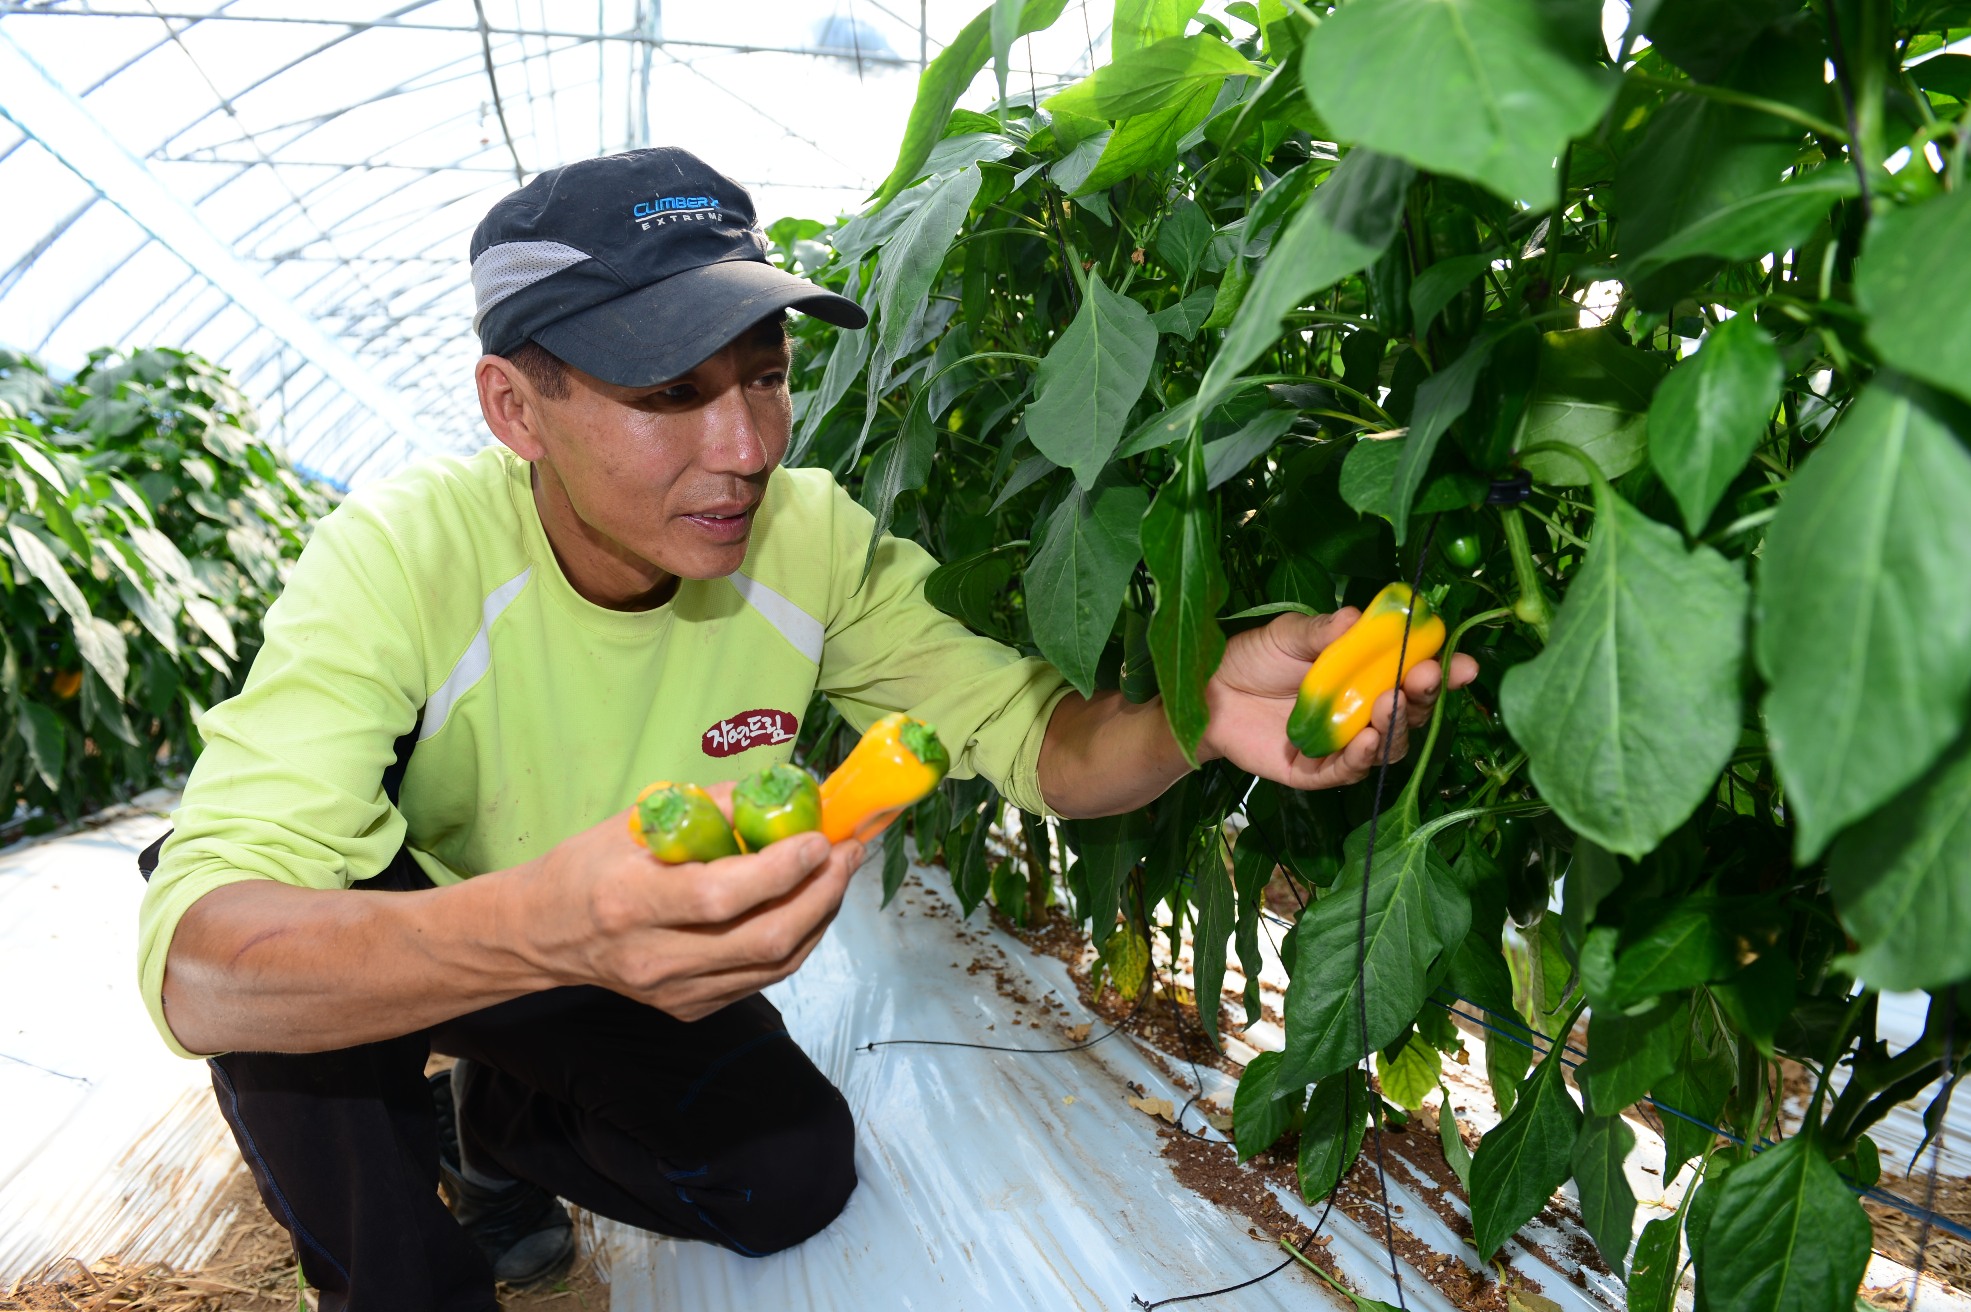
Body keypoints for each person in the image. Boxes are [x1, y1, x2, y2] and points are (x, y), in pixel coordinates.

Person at [136, 148, 1475, 1312]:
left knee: (785, 1177)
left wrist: (1199, 712)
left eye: (766, 379)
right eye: (668, 394)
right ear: (514, 409)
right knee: (280, 980)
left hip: (609, 947)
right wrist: (530, 927)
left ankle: (504, 1118)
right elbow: (205, 966)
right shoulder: (407, 555)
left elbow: (1038, 740)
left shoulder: (808, 539)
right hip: (434, 918)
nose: (746, 446)